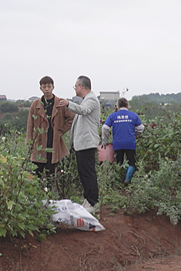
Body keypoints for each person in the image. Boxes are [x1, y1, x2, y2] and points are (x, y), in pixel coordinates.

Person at [57, 75, 101, 213]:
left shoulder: (91, 99)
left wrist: (68, 104)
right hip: (82, 144)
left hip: (87, 143)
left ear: (81, 86)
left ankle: (92, 202)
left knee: (88, 173)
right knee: (84, 173)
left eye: (75, 86)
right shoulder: (85, 100)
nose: (75, 88)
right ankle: (88, 199)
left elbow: (83, 111)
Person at [25, 76, 75, 179]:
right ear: (41, 88)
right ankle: (36, 194)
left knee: (51, 176)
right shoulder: (35, 105)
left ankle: (51, 194)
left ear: (53, 87)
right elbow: (30, 124)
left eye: (49, 86)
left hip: (54, 143)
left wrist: (61, 131)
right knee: (35, 174)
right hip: (39, 144)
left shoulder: (60, 103)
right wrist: (29, 141)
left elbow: (71, 118)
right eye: (44, 87)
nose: (47, 89)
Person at [101, 98, 144, 184]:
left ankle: (118, 182)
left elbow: (105, 128)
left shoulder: (113, 116)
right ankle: (127, 180)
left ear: (118, 106)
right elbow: (141, 128)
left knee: (119, 162)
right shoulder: (133, 115)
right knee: (131, 162)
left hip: (117, 143)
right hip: (130, 143)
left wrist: (104, 141)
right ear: (127, 105)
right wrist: (133, 134)